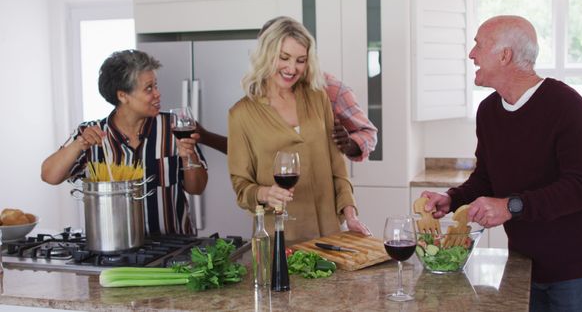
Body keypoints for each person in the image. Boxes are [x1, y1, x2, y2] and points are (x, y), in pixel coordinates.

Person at [421, 15, 582, 312]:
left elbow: (580, 187)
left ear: (505, 55)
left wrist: (509, 206)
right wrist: (452, 199)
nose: (472, 54)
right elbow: (486, 178)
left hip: (574, 269)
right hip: (522, 264)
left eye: (478, 46)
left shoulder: (567, 105)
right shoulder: (489, 110)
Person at [227, 16, 370, 244]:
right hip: (279, 238)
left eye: (300, 60)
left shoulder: (317, 98)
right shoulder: (241, 113)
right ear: (266, 55)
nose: (292, 68)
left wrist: (350, 214)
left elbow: (337, 168)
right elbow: (241, 185)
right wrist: (265, 193)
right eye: (283, 58)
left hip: (329, 233)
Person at [41, 49, 208, 235]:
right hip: (114, 249)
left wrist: (189, 157)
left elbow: (197, 188)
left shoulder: (173, 127)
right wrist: (79, 144)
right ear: (122, 96)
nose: (158, 94)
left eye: (156, 86)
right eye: (149, 88)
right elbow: (50, 175)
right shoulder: (90, 134)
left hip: (173, 249)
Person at [198, 16, 378, 161]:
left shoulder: (328, 88)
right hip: (276, 197)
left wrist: (348, 144)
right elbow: (251, 152)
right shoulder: (258, 92)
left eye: (298, 59)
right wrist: (204, 137)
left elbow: (368, 134)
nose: (290, 68)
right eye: (280, 56)